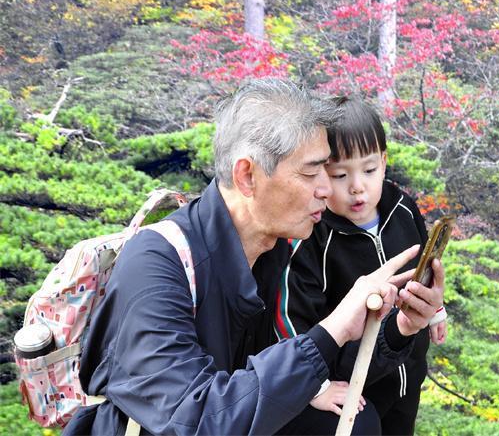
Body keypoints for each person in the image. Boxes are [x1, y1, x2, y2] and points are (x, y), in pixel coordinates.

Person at [64, 79, 445, 435]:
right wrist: (332, 329)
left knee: (354, 422)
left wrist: (400, 327)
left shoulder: (278, 249)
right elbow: (194, 419)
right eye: (312, 173)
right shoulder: (155, 263)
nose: (327, 190)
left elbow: (324, 372)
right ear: (247, 176)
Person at [275, 95, 447, 436]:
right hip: (353, 385)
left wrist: (436, 309)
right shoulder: (311, 237)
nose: (357, 187)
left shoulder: (402, 207)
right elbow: (289, 319)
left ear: (383, 162)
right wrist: (315, 384)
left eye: (369, 170)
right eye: (340, 175)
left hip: (408, 370)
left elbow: (425, 266)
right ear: (321, 174)